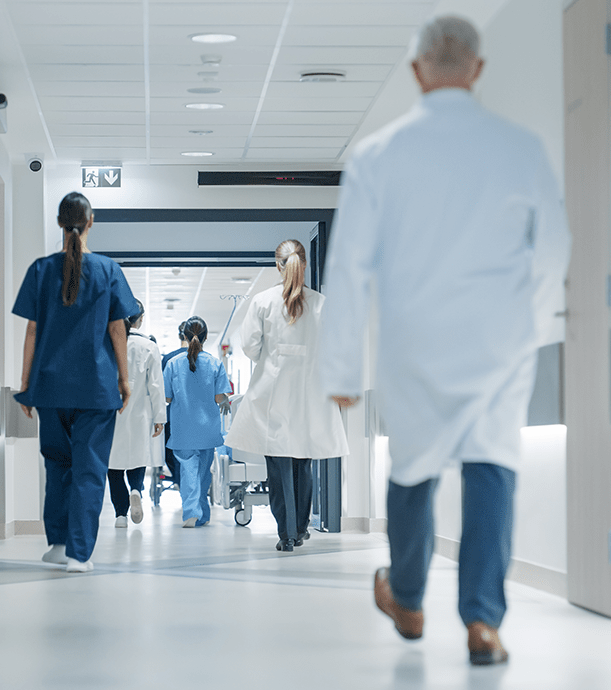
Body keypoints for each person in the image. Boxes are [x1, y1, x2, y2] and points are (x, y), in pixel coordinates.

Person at [318, 15, 571, 665]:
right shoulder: (521, 148)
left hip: (416, 341)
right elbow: (552, 251)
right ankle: (483, 621)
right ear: (479, 70)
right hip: (499, 341)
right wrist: (530, 325)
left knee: (414, 469)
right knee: (493, 466)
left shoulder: (378, 155)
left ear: (415, 71)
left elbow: (349, 268)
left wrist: (342, 372)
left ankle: (407, 595)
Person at [14, 191, 138, 573]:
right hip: (96, 389)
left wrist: (26, 385)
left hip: (51, 388)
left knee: (57, 465)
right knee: (89, 470)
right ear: (91, 222)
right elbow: (118, 330)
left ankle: (59, 543)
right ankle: (79, 554)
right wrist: (124, 379)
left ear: (58, 222)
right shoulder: (108, 270)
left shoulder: (40, 269)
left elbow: (32, 332)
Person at [225, 240, 349, 552]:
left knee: (278, 466)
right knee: (302, 463)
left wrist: (274, 357)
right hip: (309, 394)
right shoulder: (321, 304)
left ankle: (287, 533)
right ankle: (301, 528)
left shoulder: (263, 301)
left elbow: (251, 347)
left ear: (278, 266)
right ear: (303, 264)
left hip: (273, 393)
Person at [163, 316, 229, 528]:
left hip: (183, 428)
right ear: (206, 337)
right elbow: (220, 397)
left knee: (188, 471)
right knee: (202, 473)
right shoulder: (215, 363)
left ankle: (192, 512)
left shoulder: (173, 364)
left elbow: (166, 398)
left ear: (183, 335)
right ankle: (202, 514)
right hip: (207, 429)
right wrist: (226, 400)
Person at [107, 300, 165, 527]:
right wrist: (160, 418)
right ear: (139, 320)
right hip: (141, 413)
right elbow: (156, 386)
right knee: (138, 457)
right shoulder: (149, 347)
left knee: (113, 464)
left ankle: (120, 515)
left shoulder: (108, 342)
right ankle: (136, 490)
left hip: (111, 413)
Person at [160, 321, 189, 485]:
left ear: (180, 336)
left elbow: (164, 393)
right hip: (198, 417)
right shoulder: (207, 359)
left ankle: (178, 479)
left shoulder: (168, 359)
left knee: (169, 450)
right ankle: (188, 481)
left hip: (174, 416)